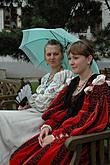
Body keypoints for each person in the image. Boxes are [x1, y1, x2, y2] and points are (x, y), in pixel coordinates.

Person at [10, 40, 110, 165]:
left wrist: (57, 136)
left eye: (76, 58)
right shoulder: (72, 84)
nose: (72, 63)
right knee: (19, 156)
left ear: (89, 59)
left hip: (79, 139)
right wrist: (48, 126)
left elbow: (88, 118)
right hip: (62, 132)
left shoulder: (98, 85)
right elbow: (60, 109)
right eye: (69, 58)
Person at [0, 39, 74, 165]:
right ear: (45, 56)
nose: (52, 57)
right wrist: (28, 103)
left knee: (2, 117)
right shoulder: (45, 78)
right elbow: (39, 99)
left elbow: (48, 103)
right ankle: (4, 156)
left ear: (62, 55)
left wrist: (33, 100)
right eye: (49, 54)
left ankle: (6, 158)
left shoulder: (67, 76)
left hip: (45, 116)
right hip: (33, 111)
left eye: (55, 54)